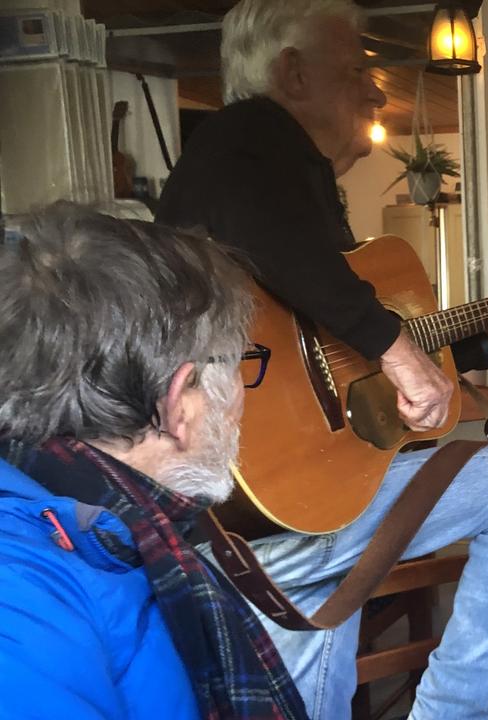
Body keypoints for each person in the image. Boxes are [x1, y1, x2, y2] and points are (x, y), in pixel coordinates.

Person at [154, 2, 488, 718]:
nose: (377, 92)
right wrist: (397, 348)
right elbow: (295, 259)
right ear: (292, 72)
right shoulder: (246, 139)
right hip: (253, 500)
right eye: (356, 69)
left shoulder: (289, 181)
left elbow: (349, 347)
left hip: (304, 498)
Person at [0, 204, 307, 719]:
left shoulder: (115, 530)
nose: (241, 396)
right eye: (238, 364)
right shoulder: (24, 600)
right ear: (179, 400)